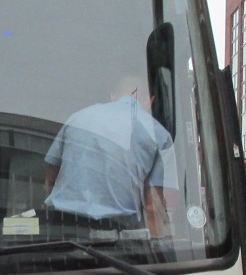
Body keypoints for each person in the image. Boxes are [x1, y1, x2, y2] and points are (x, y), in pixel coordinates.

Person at [43, 77, 177, 235]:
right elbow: (152, 207)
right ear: (149, 101)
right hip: (118, 231)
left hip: (64, 226)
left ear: (113, 96)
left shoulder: (77, 118)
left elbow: (49, 180)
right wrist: (158, 245)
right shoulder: (158, 134)